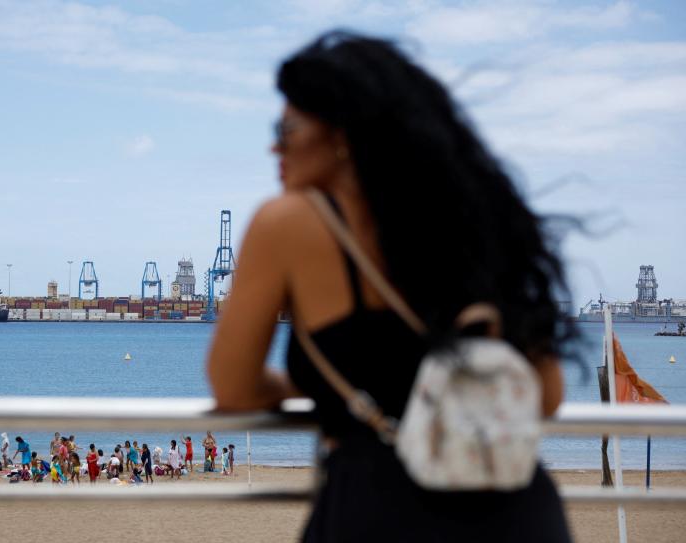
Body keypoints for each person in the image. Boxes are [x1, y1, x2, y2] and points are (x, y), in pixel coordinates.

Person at [206, 30, 574, 542]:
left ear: (342, 133)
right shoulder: (482, 220)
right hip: (516, 515)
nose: (274, 145)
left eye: (286, 127)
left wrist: (309, 386)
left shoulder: (286, 223)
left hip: (377, 512)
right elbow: (548, 394)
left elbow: (234, 386)